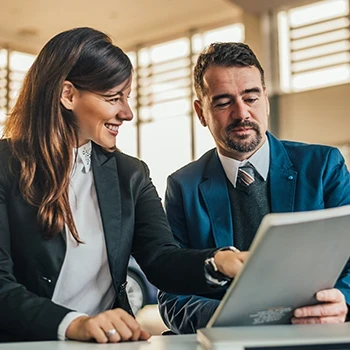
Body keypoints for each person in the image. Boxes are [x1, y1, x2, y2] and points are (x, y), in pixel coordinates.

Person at [0, 28, 242, 343]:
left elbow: (160, 259)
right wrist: (75, 324)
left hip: (109, 345)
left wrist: (216, 261)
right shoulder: (5, 166)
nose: (126, 113)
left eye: (126, 97)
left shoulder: (131, 174)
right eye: (113, 98)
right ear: (68, 94)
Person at [158, 42, 350, 334]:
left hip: (313, 335)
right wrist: (233, 318)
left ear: (266, 101)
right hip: (229, 342)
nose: (241, 113)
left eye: (251, 98)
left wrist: (343, 299)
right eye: (223, 102)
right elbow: (172, 296)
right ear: (200, 112)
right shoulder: (183, 187)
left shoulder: (323, 166)